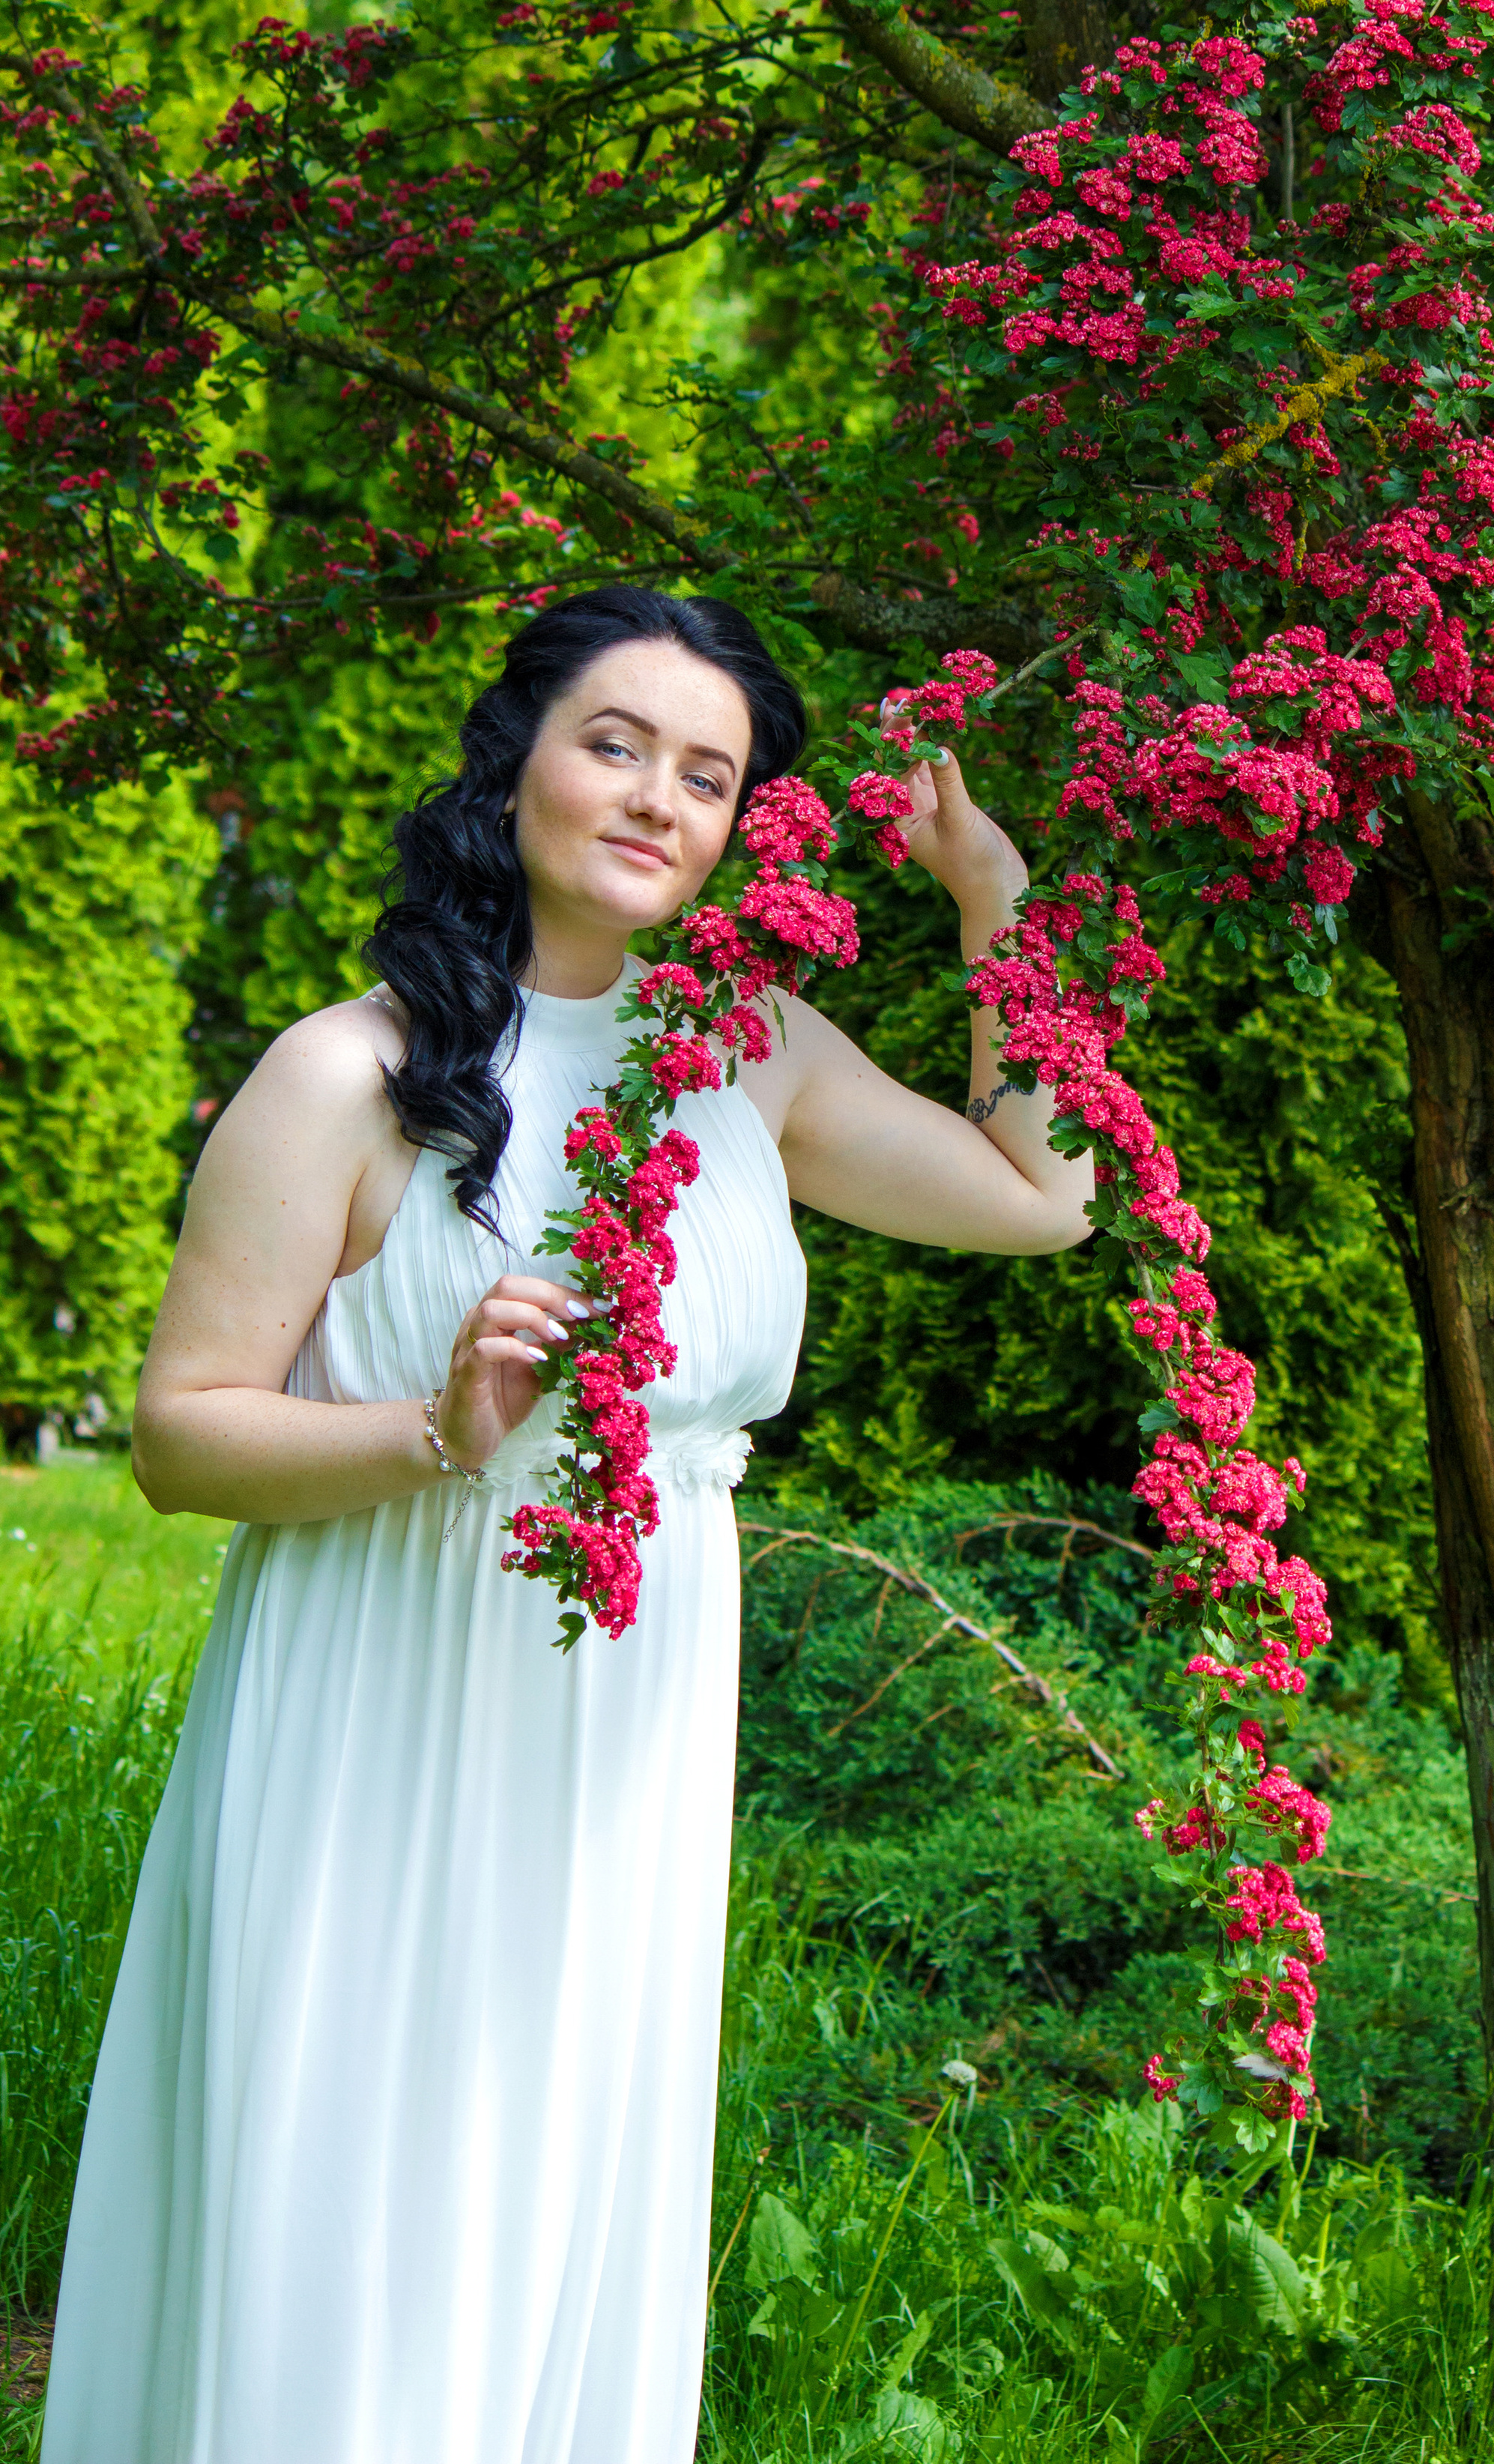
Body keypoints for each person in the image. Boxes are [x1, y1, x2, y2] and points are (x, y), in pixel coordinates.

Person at [40, 585, 1091, 2464]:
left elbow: (1045, 1195)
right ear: (517, 755)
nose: (654, 799)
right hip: (374, 1686)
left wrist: (995, 904)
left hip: (628, 1714)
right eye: (615, 743)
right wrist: (435, 1434)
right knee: (345, 2185)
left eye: (707, 775)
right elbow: (181, 1440)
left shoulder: (755, 1056)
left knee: (551, 2186)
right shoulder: (348, 1070)